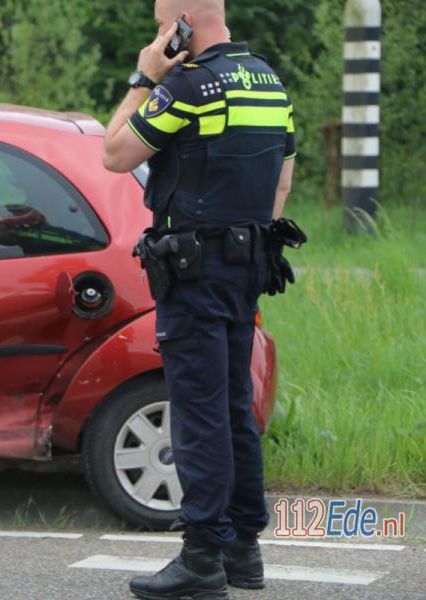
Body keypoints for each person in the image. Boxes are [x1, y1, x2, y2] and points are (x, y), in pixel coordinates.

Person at [102, 1, 296, 599]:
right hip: (247, 265)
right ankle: (244, 549)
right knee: (234, 406)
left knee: (198, 412)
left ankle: (202, 556)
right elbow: (283, 177)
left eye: (162, 23)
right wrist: (247, 241)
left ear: (179, 23)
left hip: (194, 272)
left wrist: (143, 78)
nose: (159, 34)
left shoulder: (187, 86)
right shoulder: (268, 80)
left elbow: (115, 154)